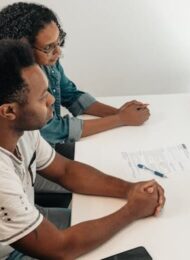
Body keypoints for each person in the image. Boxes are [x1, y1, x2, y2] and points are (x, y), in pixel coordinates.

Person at [0, 39, 165, 259]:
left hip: (28, 223)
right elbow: (61, 249)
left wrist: (130, 189)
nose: (51, 100)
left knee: (124, 232)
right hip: (11, 253)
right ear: (9, 111)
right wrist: (132, 210)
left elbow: (65, 171)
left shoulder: (22, 130)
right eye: (42, 98)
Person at [0, 2, 151, 204]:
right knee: (97, 186)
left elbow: (72, 95)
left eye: (59, 41)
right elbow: (52, 129)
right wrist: (120, 119)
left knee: (107, 168)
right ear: (23, 46)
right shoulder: (14, 87)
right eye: (49, 47)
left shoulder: (50, 64)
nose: (58, 52)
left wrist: (120, 113)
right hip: (33, 163)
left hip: (47, 153)